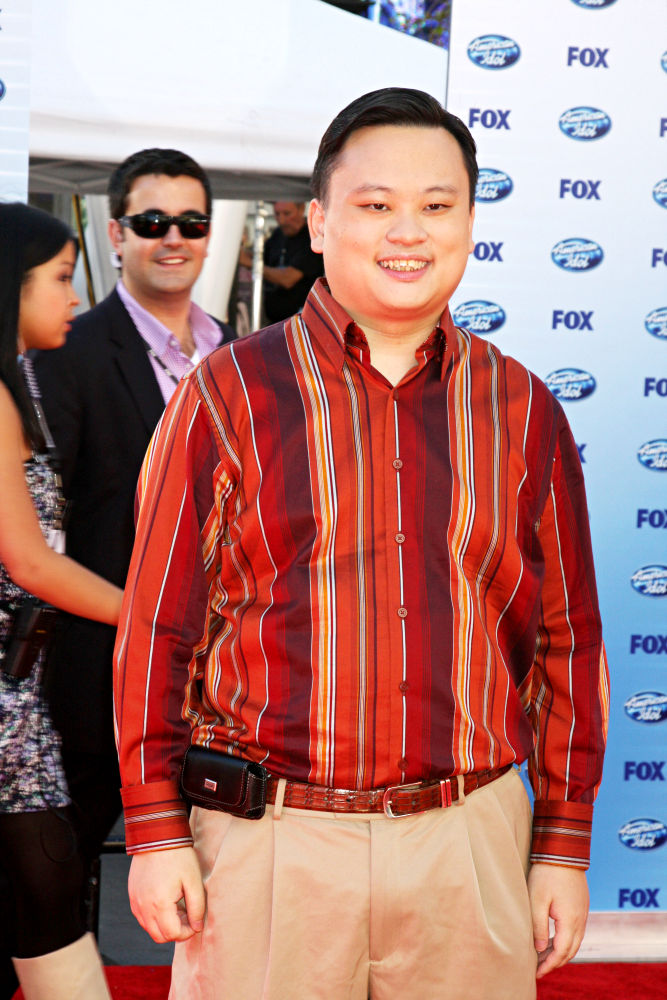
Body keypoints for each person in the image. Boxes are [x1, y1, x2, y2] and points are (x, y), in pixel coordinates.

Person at [114, 89, 609, 1000]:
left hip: (467, 841)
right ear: (317, 220)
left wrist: (563, 849)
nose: (406, 232)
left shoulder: (523, 410)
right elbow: (157, 628)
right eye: (375, 205)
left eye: (436, 205)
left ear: (467, 221)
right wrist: (152, 831)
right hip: (271, 847)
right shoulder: (227, 395)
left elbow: (566, 642)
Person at [32, 149, 236, 884]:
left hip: (224, 684)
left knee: (226, 895)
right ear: (115, 234)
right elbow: (39, 531)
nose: (173, 237)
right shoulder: (68, 353)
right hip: (96, 677)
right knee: (47, 891)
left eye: (190, 221)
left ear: (210, 234)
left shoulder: (242, 361)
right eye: (152, 221)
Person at [0, 202, 123, 999]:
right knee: (48, 898)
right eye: (59, 279)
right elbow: (32, 563)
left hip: (21, 700)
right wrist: (162, 617)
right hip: (7, 718)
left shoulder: (15, 393)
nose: (74, 297)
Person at [239, 200, 324, 322]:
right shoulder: (278, 234)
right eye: (277, 214)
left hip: (301, 321)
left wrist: (250, 264)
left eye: (287, 213)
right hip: (274, 321)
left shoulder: (310, 239)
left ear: (301, 209)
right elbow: (260, 256)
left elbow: (288, 279)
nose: (282, 220)